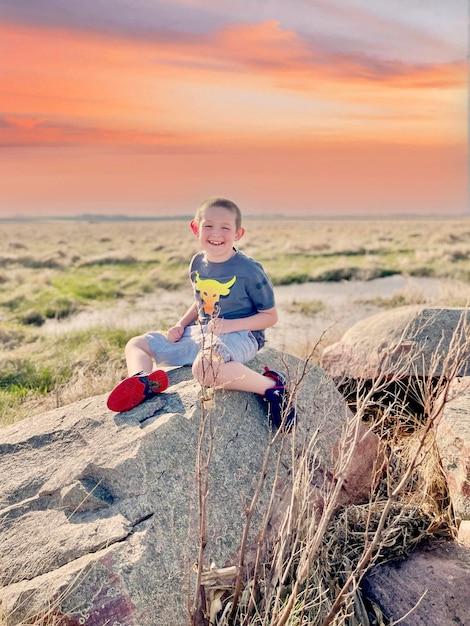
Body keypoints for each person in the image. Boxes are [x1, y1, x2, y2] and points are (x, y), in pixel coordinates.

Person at [107, 196, 296, 429]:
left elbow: (270, 317)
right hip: (204, 332)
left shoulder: (250, 270)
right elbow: (200, 303)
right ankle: (143, 381)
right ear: (195, 228)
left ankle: (272, 387)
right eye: (208, 225)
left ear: (238, 233)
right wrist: (181, 324)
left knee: (204, 370)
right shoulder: (197, 263)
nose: (216, 233)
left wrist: (229, 326)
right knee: (137, 344)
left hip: (242, 336)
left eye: (225, 227)